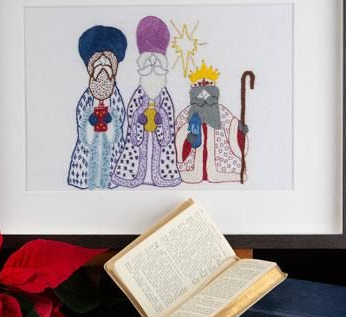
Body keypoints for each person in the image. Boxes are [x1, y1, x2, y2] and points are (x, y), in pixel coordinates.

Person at [112, 16, 181, 187]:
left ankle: (159, 177)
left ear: (163, 68)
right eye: (148, 66)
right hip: (139, 143)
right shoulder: (138, 94)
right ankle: (138, 177)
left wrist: (161, 118)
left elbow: (169, 121)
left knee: (160, 156)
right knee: (136, 155)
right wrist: (138, 118)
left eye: (157, 66)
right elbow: (131, 116)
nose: (152, 69)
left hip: (160, 145)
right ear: (142, 68)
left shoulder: (165, 97)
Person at [67, 25, 127, 189]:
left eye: (107, 64)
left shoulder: (115, 97)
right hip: (88, 149)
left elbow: (120, 120)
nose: (102, 68)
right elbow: (80, 120)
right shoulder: (86, 97)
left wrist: (111, 121)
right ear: (90, 68)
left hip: (111, 148)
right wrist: (89, 121)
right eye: (98, 64)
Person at [175, 61, 249, 183]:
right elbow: (178, 137)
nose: (204, 92)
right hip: (190, 171)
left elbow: (232, 127)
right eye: (199, 87)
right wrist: (189, 137)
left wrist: (239, 128)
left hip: (221, 169)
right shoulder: (186, 114)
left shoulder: (222, 112)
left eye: (208, 86)